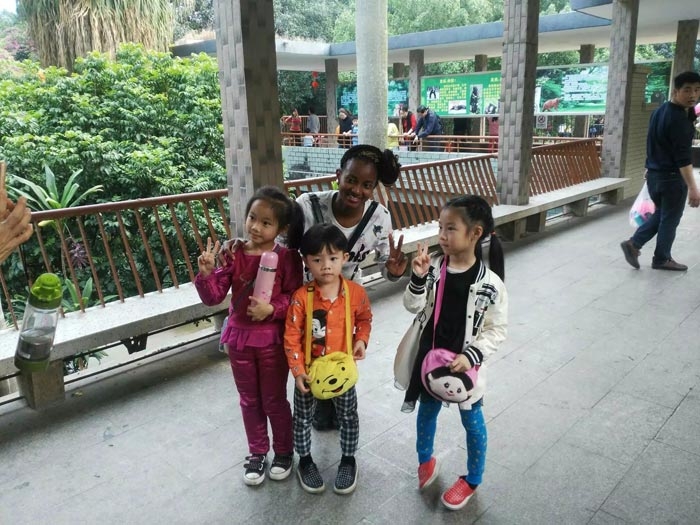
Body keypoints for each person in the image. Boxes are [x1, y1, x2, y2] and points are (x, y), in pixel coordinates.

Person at [395, 195, 508, 511]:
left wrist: (472, 355)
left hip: (465, 368)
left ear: (475, 233)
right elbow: (412, 306)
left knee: (472, 422)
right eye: (440, 228)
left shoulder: (491, 284)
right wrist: (418, 278)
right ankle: (425, 461)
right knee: (426, 411)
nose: (442, 236)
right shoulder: (433, 268)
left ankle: (472, 479)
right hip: (430, 359)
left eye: (450, 228)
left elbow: (497, 329)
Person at [195, 186, 304, 487]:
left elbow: (296, 299)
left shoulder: (287, 258)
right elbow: (215, 297)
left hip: (272, 341)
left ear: (281, 229)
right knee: (249, 400)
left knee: (274, 399)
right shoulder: (234, 254)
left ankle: (284, 451)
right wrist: (207, 274)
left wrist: (272, 308)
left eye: (266, 222)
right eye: (252, 218)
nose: (256, 226)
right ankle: (257, 452)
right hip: (240, 340)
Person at [294, 144, 409, 431]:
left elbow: (387, 266)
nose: (357, 190)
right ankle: (318, 403)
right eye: (352, 180)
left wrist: (395, 271)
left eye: (367, 185)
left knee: (342, 351)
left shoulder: (379, 217)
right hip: (309, 298)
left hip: (347, 301)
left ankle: (340, 403)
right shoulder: (307, 206)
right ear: (338, 176)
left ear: (374, 187)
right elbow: (281, 247)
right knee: (313, 352)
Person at [284, 223, 373, 494]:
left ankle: (348, 460)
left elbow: (364, 319)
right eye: (317, 260)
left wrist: (361, 340)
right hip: (309, 373)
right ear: (306, 261)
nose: (326, 266)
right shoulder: (301, 298)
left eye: (333, 258)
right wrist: (298, 370)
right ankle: (305, 461)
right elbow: (291, 335)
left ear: (344, 258)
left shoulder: (356, 293)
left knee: (348, 416)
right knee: (302, 418)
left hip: (343, 372)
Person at [620, 71, 700, 272]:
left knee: (663, 214)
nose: (693, 95)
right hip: (672, 179)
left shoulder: (661, 111)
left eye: (697, 90)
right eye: (687, 90)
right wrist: (693, 187)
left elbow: (653, 142)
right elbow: (683, 159)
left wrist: (649, 167)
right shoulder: (679, 121)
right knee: (670, 219)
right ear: (676, 91)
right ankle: (662, 258)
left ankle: (634, 244)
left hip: (655, 175)